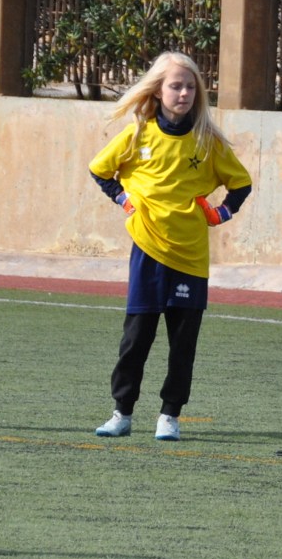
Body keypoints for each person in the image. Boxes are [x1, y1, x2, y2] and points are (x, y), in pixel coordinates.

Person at [89, 51, 252, 441]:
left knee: (182, 344)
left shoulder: (207, 141)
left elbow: (241, 184)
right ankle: (122, 412)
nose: (183, 93)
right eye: (175, 86)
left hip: (190, 256)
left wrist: (222, 213)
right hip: (147, 252)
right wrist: (123, 199)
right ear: (157, 91)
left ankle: (169, 416)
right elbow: (100, 170)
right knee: (135, 340)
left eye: (190, 87)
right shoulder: (138, 134)